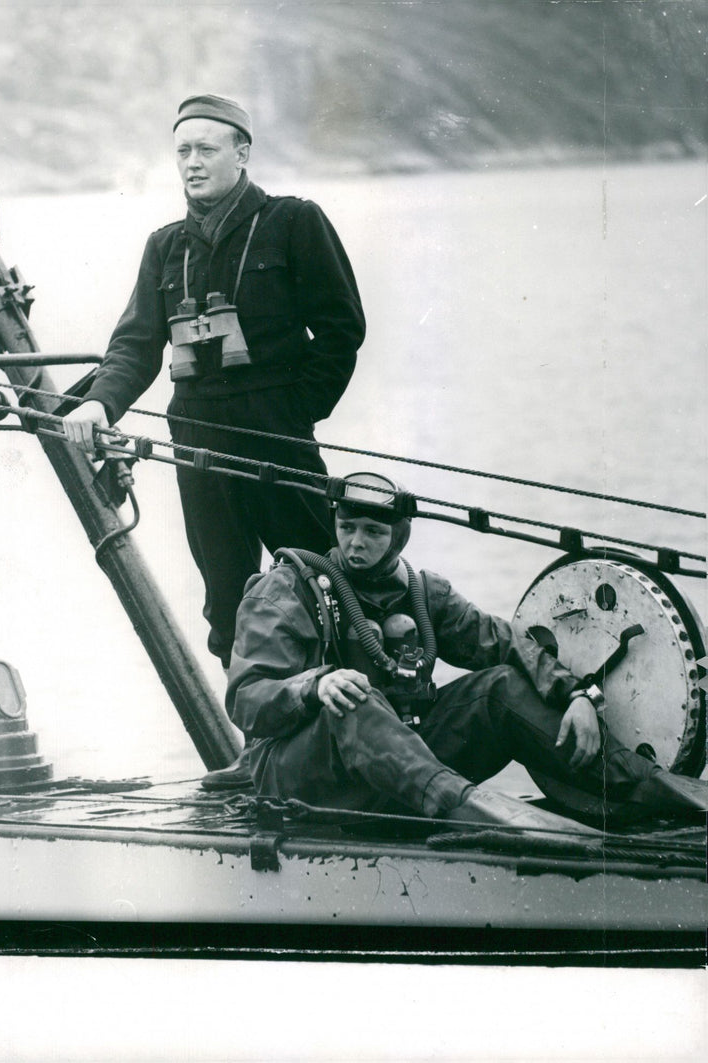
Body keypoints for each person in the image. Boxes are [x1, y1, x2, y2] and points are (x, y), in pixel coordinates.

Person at [62, 94, 365, 674]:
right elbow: (136, 343)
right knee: (226, 595)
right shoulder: (165, 246)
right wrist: (102, 403)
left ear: (242, 153)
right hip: (197, 437)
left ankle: (357, 725)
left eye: (206, 148)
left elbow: (340, 329)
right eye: (182, 151)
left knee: (323, 581)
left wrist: (298, 409)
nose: (192, 162)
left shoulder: (293, 221)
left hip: (278, 432)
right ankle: (256, 745)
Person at [227, 472, 708, 829]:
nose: (357, 543)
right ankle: (480, 813)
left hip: (396, 771)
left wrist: (578, 694)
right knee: (355, 696)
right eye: (348, 526)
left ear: (398, 536)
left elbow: (504, 644)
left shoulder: (423, 593)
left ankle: (656, 790)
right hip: (302, 776)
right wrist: (314, 686)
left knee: (500, 688)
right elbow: (247, 699)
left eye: (374, 532)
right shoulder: (286, 591)